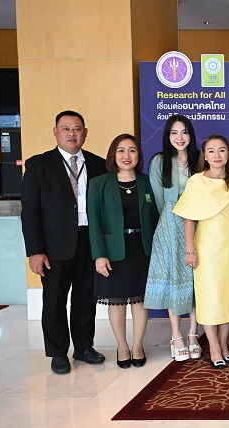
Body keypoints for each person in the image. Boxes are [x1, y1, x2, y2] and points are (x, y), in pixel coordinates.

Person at [21, 110, 108, 374]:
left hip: (89, 242)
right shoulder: (38, 165)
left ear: (85, 133)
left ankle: (83, 347)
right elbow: (30, 212)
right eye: (66, 129)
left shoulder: (98, 164)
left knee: (86, 297)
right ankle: (58, 352)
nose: (72, 134)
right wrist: (35, 251)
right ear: (55, 132)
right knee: (54, 300)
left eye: (77, 129)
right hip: (54, 245)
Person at [173, 134, 229, 369]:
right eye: (211, 151)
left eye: (221, 150)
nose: (216, 155)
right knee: (210, 298)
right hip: (207, 249)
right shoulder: (196, 182)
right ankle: (213, 347)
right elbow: (188, 219)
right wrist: (190, 250)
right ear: (204, 155)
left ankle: (224, 344)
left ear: (228, 153)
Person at [87, 134, 159, 368]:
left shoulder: (146, 182)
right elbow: (94, 222)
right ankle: (122, 346)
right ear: (113, 155)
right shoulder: (99, 183)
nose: (126, 155)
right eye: (121, 150)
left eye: (132, 150)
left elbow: (155, 217)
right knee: (117, 301)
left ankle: (137, 345)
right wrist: (99, 255)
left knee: (140, 300)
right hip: (113, 250)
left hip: (142, 248)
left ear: (138, 155)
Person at [144, 115, 202, 362]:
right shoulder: (159, 161)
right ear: (167, 136)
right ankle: (176, 335)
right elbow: (159, 199)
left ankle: (193, 334)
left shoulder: (200, 159)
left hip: (199, 220)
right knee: (173, 277)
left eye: (184, 132)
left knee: (196, 278)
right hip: (169, 221)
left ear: (191, 135)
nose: (180, 137)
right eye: (174, 133)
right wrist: (171, 223)